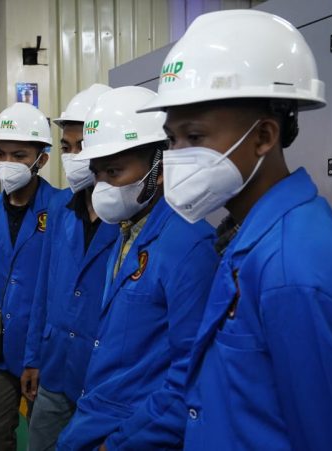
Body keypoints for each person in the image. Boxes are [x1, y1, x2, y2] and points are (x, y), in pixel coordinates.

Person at [138, 9, 332, 449]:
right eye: (171, 140)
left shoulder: (292, 269)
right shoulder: (248, 236)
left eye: (194, 137)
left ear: (264, 136)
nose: (177, 156)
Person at [56, 86, 219, 450]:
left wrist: (119, 443)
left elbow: (191, 377)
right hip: (100, 417)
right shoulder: (128, 230)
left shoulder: (189, 246)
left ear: (159, 167)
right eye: (97, 173)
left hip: (133, 433)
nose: (102, 187)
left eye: (114, 171)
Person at [21, 84, 119, 451]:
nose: (74, 157)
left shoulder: (126, 215)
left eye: (83, 146)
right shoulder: (60, 208)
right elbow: (43, 289)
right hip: (54, 366)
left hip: (100, 377)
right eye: (67, 147)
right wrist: (33, 357)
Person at [0, 102, 59, 451]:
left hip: (43, 346)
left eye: (19, 155)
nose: (7, 163)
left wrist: (39, 354)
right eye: (0, 153)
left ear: (41, 159)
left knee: (43, 434)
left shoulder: (61, 209)